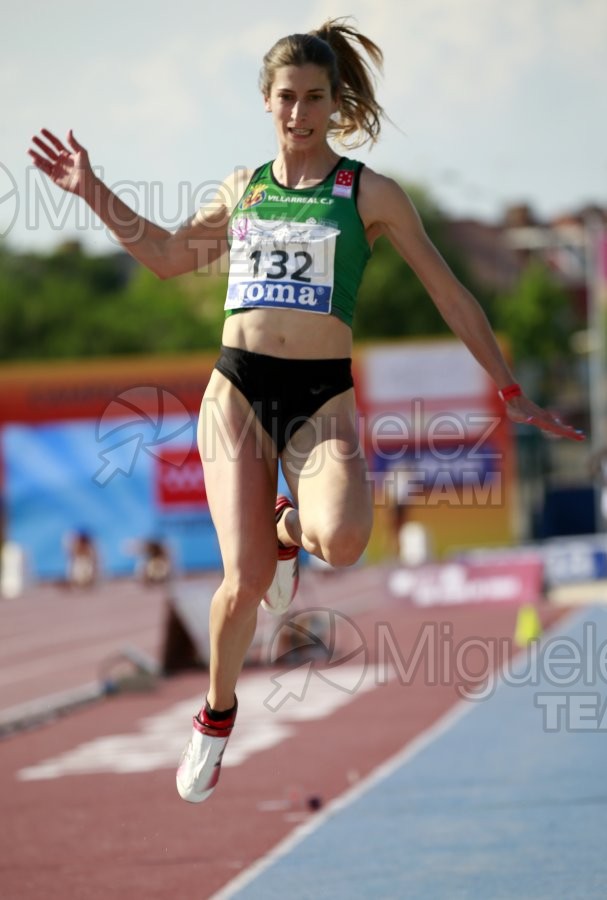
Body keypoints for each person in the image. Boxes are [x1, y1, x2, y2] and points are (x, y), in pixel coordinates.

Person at [29, 18, 584, 804]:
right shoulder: (242, 188)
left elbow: (450, 294)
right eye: (286, 97)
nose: (299, 113)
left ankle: (291, 531)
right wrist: (91, 189)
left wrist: (507, 386)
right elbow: (163, 257)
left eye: (314, 98)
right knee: (240, 582)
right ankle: (216, 717)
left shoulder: (369, 194)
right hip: (237, 390)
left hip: (320, 392)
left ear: (333, 104)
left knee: (346, 540)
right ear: (266, 101)